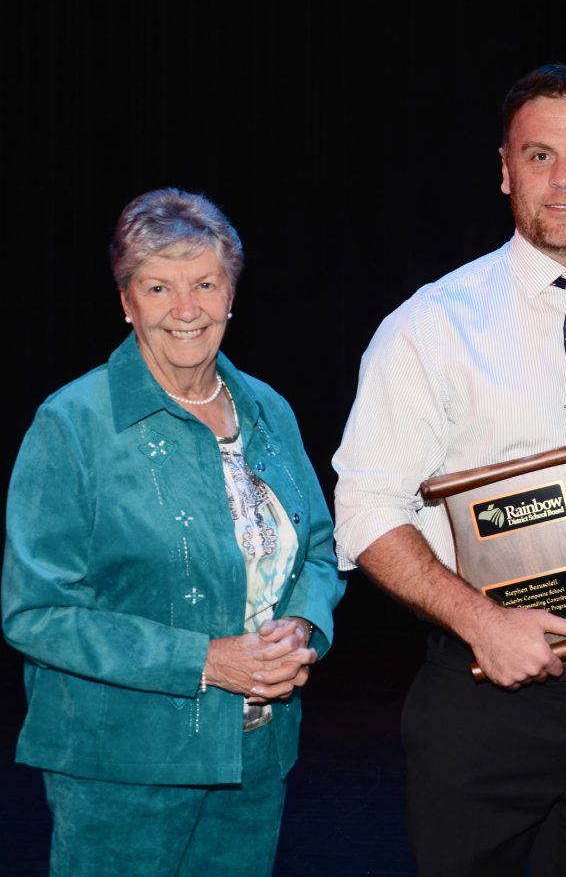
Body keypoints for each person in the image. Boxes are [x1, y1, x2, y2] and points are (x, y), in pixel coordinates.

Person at [333, 64, 566, 876]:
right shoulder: (428, 325)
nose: (565, 179)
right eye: (540, 156)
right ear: (505, 170)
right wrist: (480, 621)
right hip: (482, 699)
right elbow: (366, 509)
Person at [2, 188, 346, 876]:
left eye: (205, 284)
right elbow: (34, 613)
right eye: (159, 287)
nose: (185, 310)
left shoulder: (268, 409)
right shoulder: (72, 424)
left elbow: (318, 549)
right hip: (122, 768)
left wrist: (302, 628)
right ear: (127, 302)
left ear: (230, 296)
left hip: (256, 752)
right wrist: (206, 660)